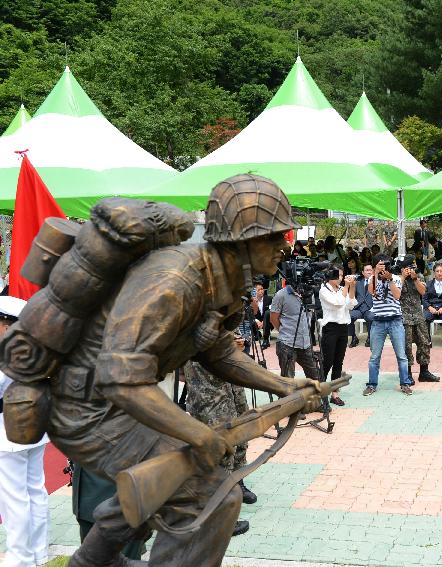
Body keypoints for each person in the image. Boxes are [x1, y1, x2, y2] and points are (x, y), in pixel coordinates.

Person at [42, 175, 318, 567]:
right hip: (88, 409)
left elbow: (218, 351)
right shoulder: (175, 281)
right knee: (212, 495)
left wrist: (284, 385)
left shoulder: (222, 277)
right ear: (239, 243)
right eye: (272, 238)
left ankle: (91, 561)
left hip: (120, 402)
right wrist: (198, 433)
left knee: (168, 474)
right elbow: (120, 376)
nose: (283, 248)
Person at [184, 347, 256, 537]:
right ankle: (218, 518)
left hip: (228, 387)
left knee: (240, 436)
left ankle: (235, 484)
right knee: (221, 454)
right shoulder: (199, 323)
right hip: (209, 395)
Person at [0, 296, 50, 567]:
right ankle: (38, 553)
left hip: (8, 433)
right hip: (34, 427)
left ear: (8, 325)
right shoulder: (33, 350)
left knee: (14, 498)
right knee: (35, 491)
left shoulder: (7, 352)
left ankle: (20, 558)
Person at [364, 255, 411, 395]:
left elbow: (397, 296)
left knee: (401, 355)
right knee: (374, 356)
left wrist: (389, 279)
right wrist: (375, 273)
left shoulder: (396, 278)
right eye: (379, 265)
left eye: (384, 265)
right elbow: (371, 292)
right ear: (375, 266)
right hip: (378, 321)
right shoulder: (372, 279)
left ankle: (405, 383)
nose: (383, 267)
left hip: (395, 320)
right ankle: (372, 384)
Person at [270, 278, 322, 383]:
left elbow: (309, 314)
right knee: (288, 381)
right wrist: (285, 331)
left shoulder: (309, 293)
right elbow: (273, 318)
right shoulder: (281, 295)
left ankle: (317, 398)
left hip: (306, 343)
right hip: (287, 343)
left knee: (316, 377)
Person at [400, 257, 440, 383]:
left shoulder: (419, 276)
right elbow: (396, 293)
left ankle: (424, 372)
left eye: (415, 266)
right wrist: (403, 276)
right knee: (406, 346)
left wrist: (415, 278)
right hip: (404, 317)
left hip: (418, 316)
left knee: (424, 343)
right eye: (411, 266)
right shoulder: (398, 277)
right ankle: (408, 373)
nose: (413, 268)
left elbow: (423, 292)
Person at [319, 266, 355, 404]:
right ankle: (320, 392)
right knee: (327, 362)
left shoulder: (342, 289)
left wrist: (352, 287)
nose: (341, 278)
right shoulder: (324, 290)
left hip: (343, 328)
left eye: (342, 275)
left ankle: (335, 394)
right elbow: (338, 303)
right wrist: (346, 286)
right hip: (330, 328)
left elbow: (350, 305)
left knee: (338, 362)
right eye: (338, 275)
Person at [349, 263, 374, 347]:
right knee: (349, 316)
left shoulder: (376, 282)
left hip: (370, 308)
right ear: (363, 273)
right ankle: (354, 338)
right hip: (358, 308)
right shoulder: (357, 283)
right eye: (367, 270)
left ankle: (370, 338)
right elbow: (352, 296)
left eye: (370, 270)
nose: (369, 272)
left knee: (370, 317)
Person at [253, 282, 272, 349]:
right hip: (257, 322)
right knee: (251, 319)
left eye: (262, 289)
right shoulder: (252, 301)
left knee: (268, 313)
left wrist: (264, 322)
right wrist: (257, 320)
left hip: (268, 321)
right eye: (259, 290)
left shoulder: (269, 299)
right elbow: (251, 313)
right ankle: (256, 334)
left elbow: (271, 312)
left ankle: (265, 340)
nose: (261, 291)